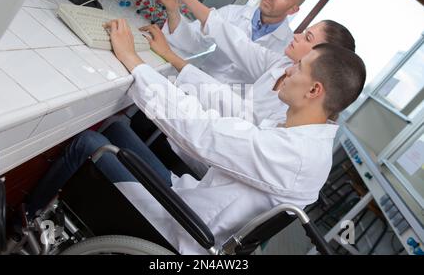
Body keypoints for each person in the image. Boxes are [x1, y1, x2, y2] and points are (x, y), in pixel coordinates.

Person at [24, 18, 366, 254]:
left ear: (314, 90)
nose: (288, 70)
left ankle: (19, 227)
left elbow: (203, 134)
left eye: (299, 69)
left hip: (181, 231)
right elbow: (228, 120)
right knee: (115, 128)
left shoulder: (293, 155)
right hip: (190, 203)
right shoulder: (303, 137)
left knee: (90, 144)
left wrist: (131, 58)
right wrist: (168, 65)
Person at [152, 0, 308, 84]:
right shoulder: (232, 13)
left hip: (229, 108)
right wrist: (172, 10)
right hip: (196, 83)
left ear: (293, 10)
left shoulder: (287, 48)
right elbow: (192, 43)